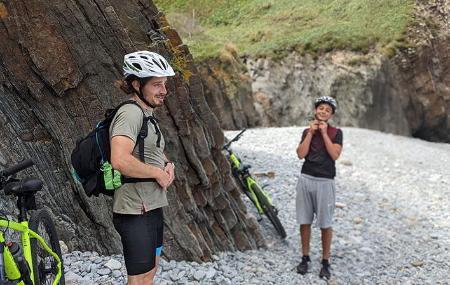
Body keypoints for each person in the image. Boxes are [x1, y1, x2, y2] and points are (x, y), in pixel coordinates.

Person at [110, 51, 176, 285]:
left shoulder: (145, 114)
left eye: (164, 84)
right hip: (134, 209)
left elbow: (149, 150)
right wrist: (157, 173)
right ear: (137, 84)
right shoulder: (129, 114)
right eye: (157, 84)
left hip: (151, 205)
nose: (163, 91)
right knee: (138, 279)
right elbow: (119, 159)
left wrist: (167, 164)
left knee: (150, 272)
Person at [295, 96, 343, 279]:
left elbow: (335, 155)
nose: (323, 111)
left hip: (325, 181)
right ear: (316, 110)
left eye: (327, 110)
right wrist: (310, 133)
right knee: (304, 220)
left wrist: (323, 134)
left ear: (331, 115)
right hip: (306, 178)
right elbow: (300, 154)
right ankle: (305, 258)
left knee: (325, 223)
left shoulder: (336, 132)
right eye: (321, 108)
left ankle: (325, 261)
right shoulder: (307, 131)